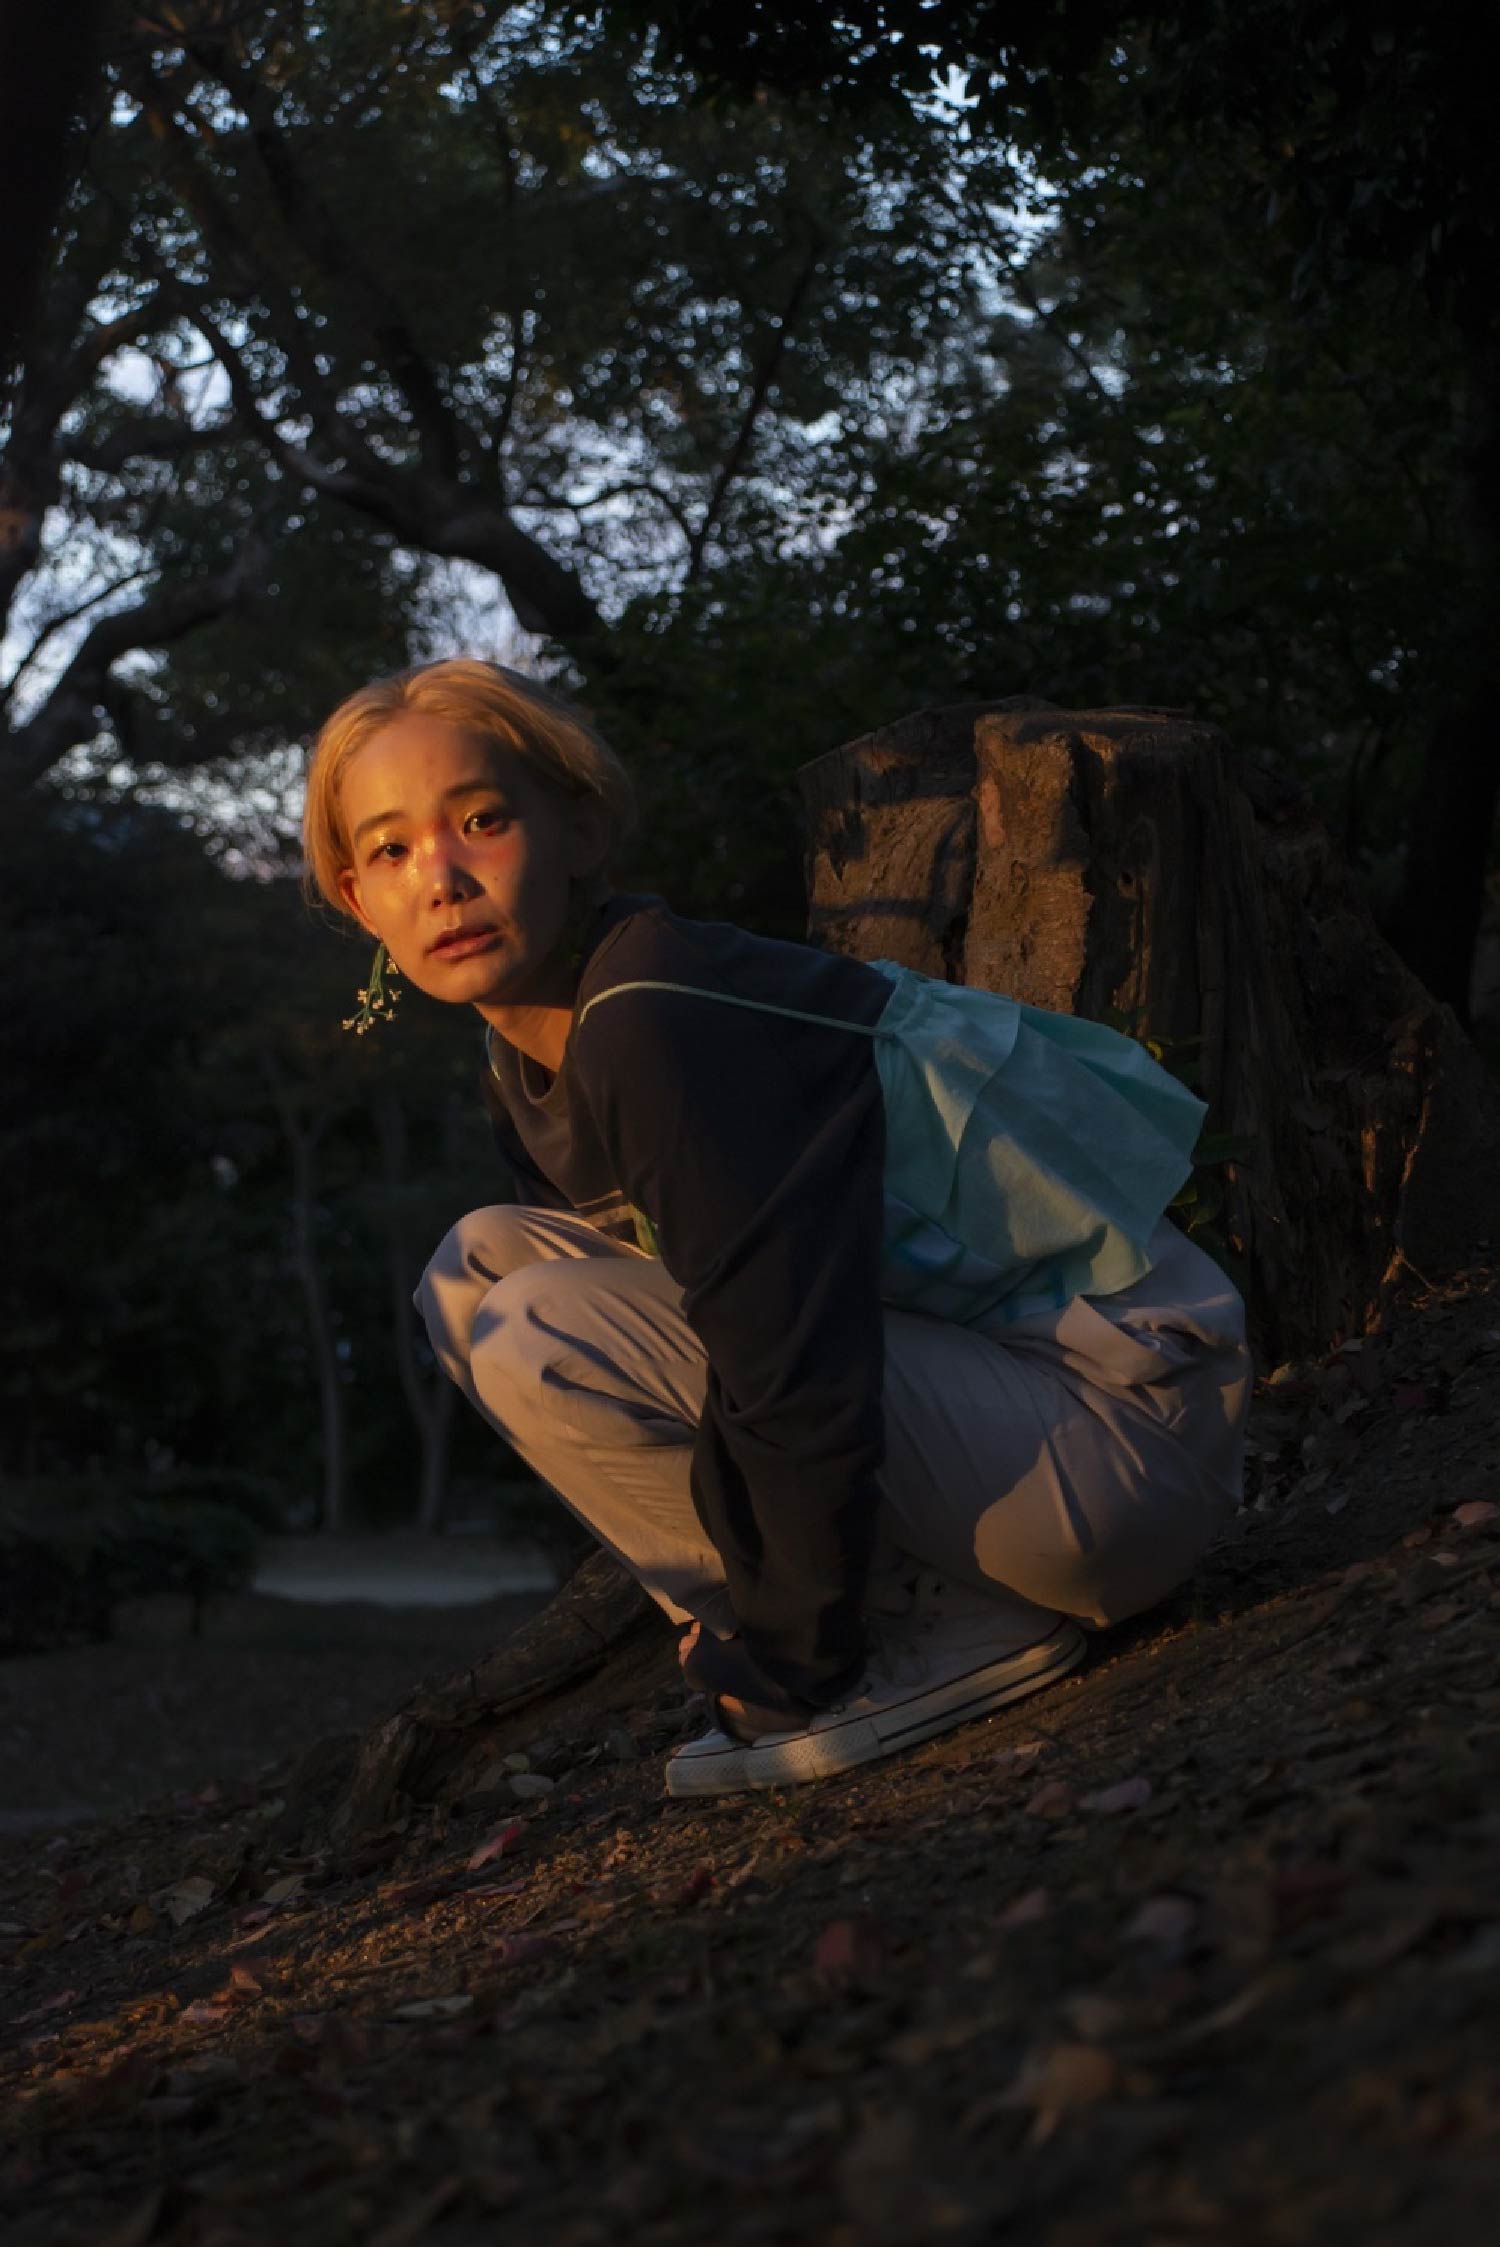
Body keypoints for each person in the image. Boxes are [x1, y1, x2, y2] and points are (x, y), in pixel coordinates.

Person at [303, 657, 1254, 1798]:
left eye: (482, 821)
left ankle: (910, 1631)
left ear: (581, 829)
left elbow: (789, 1358)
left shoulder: (654, 1016)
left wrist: (791, 1660)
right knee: (475, 1270)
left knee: (540, 1323)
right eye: (392, 850)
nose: (442, 880)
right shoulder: (531, 1050)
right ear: (357, 898)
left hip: (1115, 1445)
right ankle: (863, 1611)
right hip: (1015, 1424)